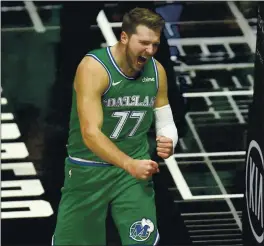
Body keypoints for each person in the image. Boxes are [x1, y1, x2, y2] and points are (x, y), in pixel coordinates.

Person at [52, 7, 178, 246]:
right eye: (143, 43)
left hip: (133, 170)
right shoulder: (94, 68)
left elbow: (165, 119)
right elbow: (90, 133)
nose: (149, 51)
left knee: (142, 241)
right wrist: (128, 164)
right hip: (88, 168)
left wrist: (168, 140)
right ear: (124, 37)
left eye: (155, 45)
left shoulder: (157, 71)